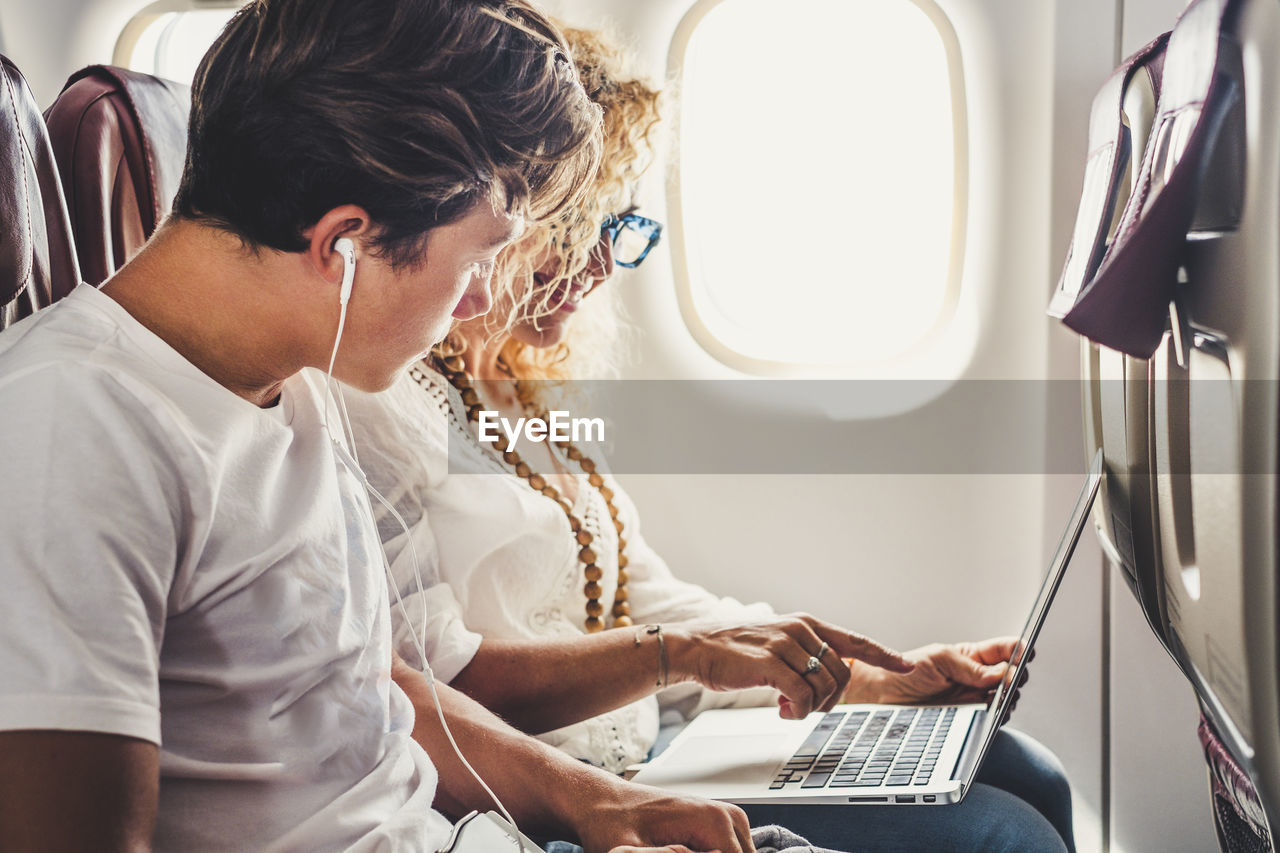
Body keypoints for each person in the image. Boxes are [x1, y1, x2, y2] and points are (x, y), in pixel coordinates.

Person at [0, 2, 821, 851]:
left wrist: (602, 804)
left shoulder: (297, 382)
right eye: (479, 255)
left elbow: (374, 693)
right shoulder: (71, 433)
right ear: (344, 246)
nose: (479, 301)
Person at [345, 24, 1077, 853]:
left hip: (659, 746)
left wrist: (878, 679)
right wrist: (684, 656)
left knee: (1030, 770)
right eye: (581, 222)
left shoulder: (521, 390)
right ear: (505, 217)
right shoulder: (381, 400)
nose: (603, 262)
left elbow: (647, 605)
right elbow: (436, 689)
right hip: (560, 782)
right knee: (1002, 834)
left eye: (622, 224)